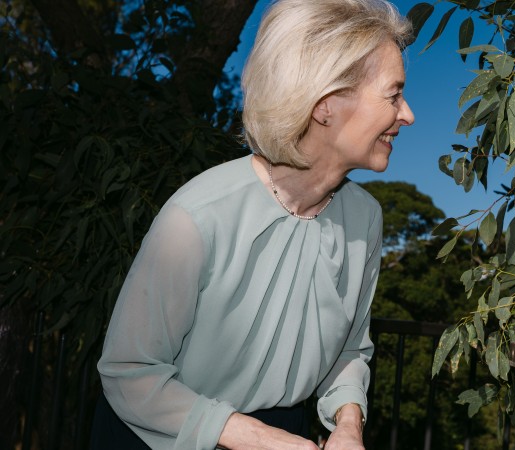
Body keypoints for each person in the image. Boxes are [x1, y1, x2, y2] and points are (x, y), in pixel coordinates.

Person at [90, 0, 414, 448]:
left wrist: (347, 425)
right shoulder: (198, 215)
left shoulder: (365, 219)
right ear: (326, 104)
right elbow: (129, 374)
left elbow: (350, 351)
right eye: (394, 94)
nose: (408, 115)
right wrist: (260, 438)